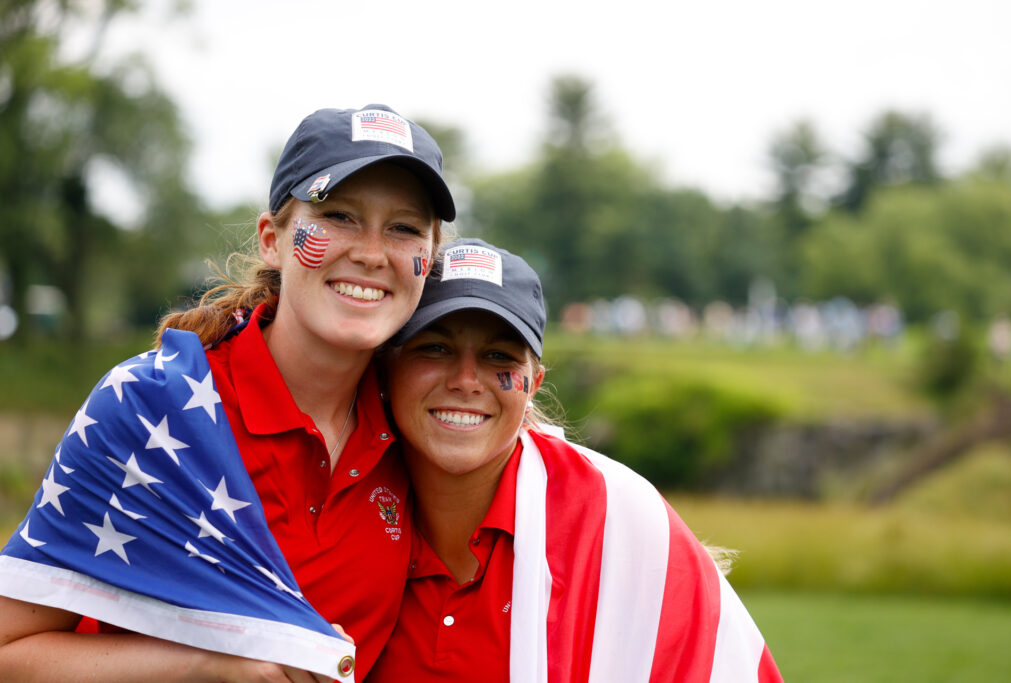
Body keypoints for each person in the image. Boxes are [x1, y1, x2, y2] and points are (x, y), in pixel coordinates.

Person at [0, 104, 456, 682]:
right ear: (272, 239)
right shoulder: (145, 404)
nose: (370, 253)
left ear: (427, 260)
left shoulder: (422, 427)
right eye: (339, 216)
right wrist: (207, 666)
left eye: (404, 228)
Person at [367, 238, 784, 682]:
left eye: (498, 357)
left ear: (534, 383)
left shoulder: (621, 516)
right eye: (435, 348)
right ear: (386, 369)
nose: (466, 380)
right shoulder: (337, 507)